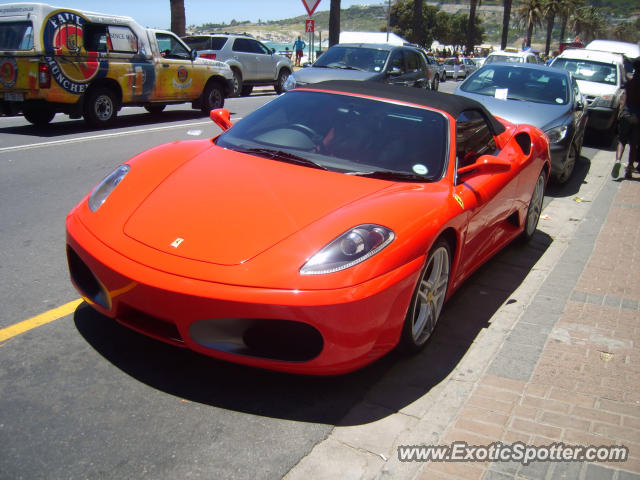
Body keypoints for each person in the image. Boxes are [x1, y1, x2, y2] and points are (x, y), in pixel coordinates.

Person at [615, 56, 640, 179]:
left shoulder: (629, 81)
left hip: (626, 113)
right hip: (638, 116)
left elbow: (624, 99)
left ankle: (618, 160)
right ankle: (629, 168)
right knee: (634, 144)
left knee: (621, 140)